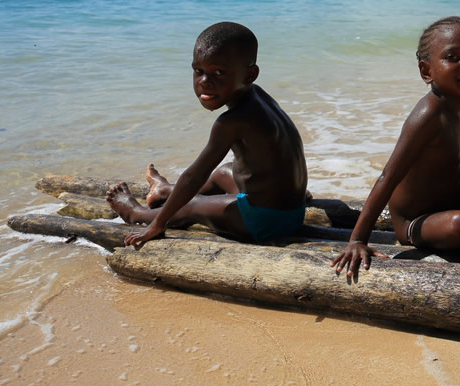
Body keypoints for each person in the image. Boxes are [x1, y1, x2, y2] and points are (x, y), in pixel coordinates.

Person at [331, 16, 460, 277]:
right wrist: (357, 240)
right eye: (453, 57)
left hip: (456, 199)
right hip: (417, 223)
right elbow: (388, 176)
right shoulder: (429, 114)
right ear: (426, 71)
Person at [106, 21, 309, 247]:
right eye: (198, 71)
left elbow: (194, 176)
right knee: (223, 172)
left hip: (266, 222)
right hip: (291, 210)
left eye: (219, 72)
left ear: (250, 74)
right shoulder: (258, 97)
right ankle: (163, 191)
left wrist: (158, 225)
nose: (205, 82)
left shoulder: (231, 121)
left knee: (192, 204)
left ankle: (138, 214)